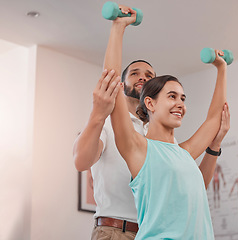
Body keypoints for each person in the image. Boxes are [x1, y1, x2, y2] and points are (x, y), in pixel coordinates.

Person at [73, 4, 229, 240]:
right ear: (150, 102)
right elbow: (112, 84)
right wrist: (118, 27)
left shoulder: (181, 151)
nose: (180, 104)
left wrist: (221, 68)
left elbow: (213, 120)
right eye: (172, 96)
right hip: (116, 229)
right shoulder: (136, 145)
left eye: (183, 98)